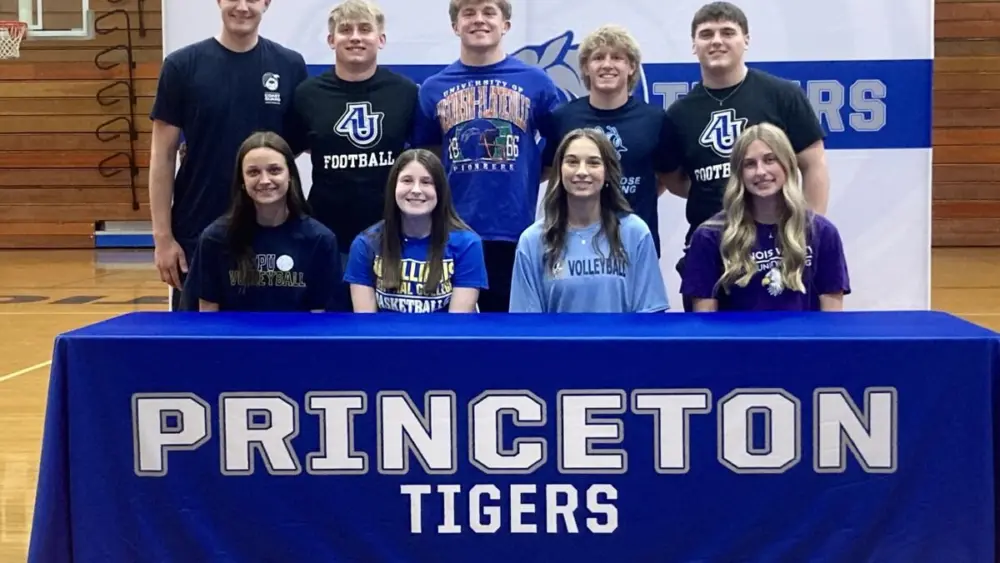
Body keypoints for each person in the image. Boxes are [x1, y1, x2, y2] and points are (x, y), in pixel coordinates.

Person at [661, 1, 830, 311]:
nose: (716, 41)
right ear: (694, 45)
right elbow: (673, 179)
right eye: (706, 34)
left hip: (779, 248)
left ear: (746, 40)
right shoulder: (679, 113)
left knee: (791, 334)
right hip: (710, 252)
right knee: (710, 338)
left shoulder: (782, 95)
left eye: (728, 32)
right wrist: (716, 188)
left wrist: (810, 233)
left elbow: (813, 164)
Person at [149, 0, 310, 312]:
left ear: (266, 3)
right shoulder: (182, 65)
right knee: (198, 337)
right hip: (198, 227)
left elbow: (301, 142)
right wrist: (163, 238)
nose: (242, 7)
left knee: (271, 333)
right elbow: (162, 157)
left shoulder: (290, 65)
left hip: (272, 231)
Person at [411, 0, 563, 312]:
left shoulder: (536, 82)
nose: (479, 20)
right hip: (450, 231)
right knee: (448, 330)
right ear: (455, 26)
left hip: (513, 230)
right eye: (468, 13)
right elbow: (426, 155)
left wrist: (533, 169)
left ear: (505, 24)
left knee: (507, 330)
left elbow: (563, 142)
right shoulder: (433, 88)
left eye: (489, 12)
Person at [291, 0, 419, 270]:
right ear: (331, 40)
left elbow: (425, 156)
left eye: (365, 29)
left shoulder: (406, 93)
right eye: (345, 30)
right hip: (327, 236)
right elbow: (286, 153)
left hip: (392, 234)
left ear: (381, 39)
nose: (355, 37)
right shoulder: (307, 95)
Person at [540, 24, 680, 258]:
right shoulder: (563, 118)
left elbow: (669, 178)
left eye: (617, 58)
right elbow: (547, 172)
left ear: (631, 67)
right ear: (586, 67)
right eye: (598, 58)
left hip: (634, 245)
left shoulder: (655, 120)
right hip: (573, 244)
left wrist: (625, 193)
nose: (607, 65)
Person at [680, 123, 849, 311]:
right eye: (749, 164)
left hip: (802, 332)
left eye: (770, 160)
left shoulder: (822, 232)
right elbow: (704, 320)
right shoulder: (709, 236)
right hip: (738, 332)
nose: (760, 172)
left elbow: (832, 320)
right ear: (739, 173)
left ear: (787, 165)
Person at [509, 129, 669, 313]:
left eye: (593, 163)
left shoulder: (635, 233)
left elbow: (650, 316)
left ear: (607, 172)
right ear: (559, 170)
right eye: (572, 162)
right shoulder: (533, 241)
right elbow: (526, 323)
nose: (582, 172)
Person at [183, 131, 344, 312]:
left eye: (274, 170)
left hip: (297, 332)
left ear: (290, 175)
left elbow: (321, 316)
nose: (265, 180)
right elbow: (207, 314)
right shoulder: (215, 238)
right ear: (242, 180)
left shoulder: (320, 240)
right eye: (253, 172)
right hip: (233, 332)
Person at [344, 149, 489, 313]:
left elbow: (457, 324)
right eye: (407, 180)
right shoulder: (365, 244)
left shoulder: (468, 245)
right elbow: (366, 323)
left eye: (426, 182)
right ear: (393, 187)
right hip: (384, 331)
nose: (416, 190)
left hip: (443, 331)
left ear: (440, 191)